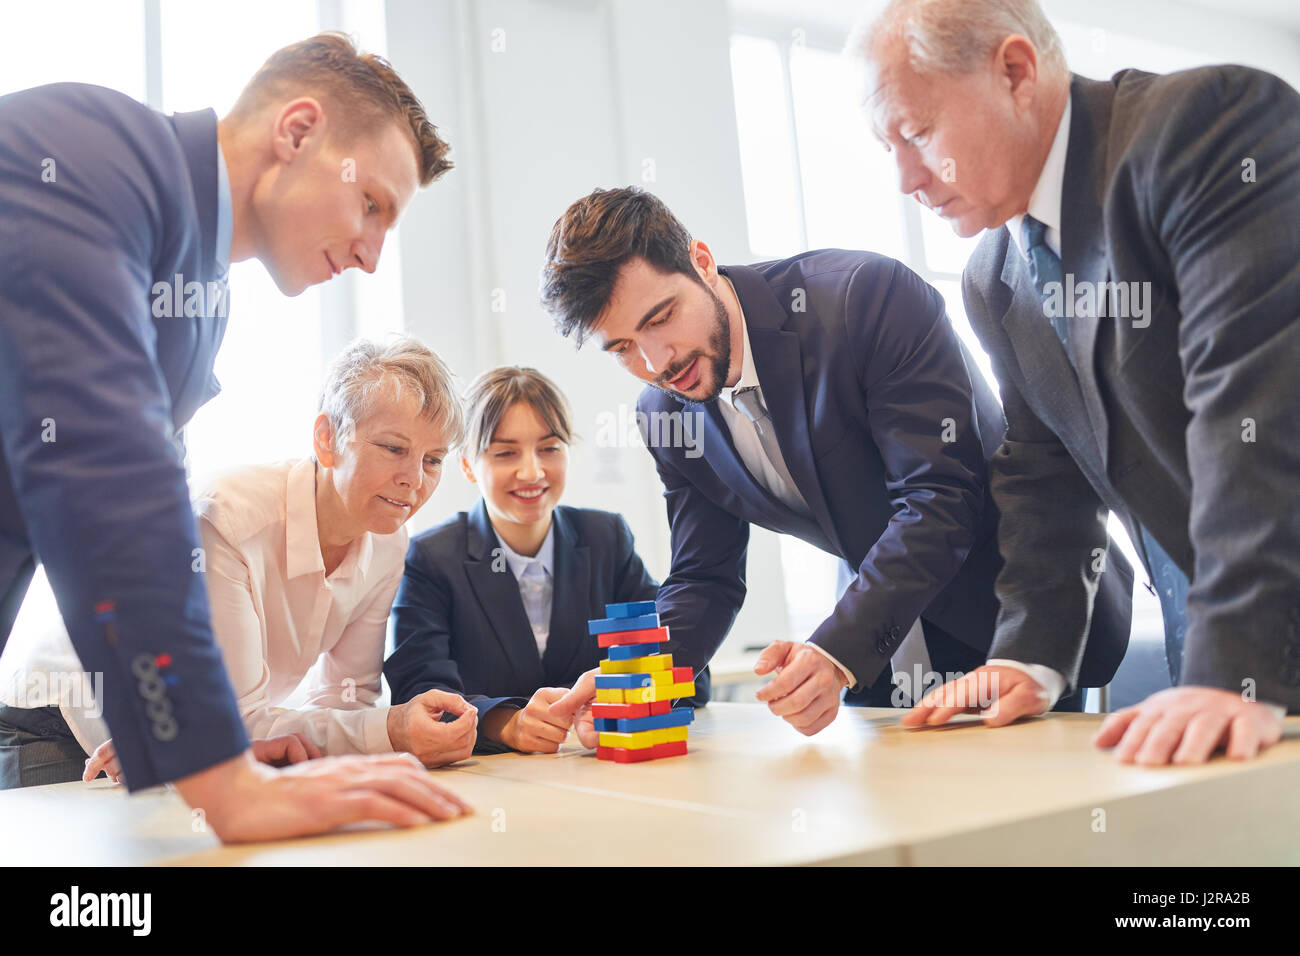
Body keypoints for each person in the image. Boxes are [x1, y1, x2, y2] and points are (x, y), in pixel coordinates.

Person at [0, 33, 468, 839]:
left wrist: (203, 753)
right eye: (371, 206)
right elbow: (110, 479)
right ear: (297, 131)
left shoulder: (200, 307)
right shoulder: (81, 152)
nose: (370, 253)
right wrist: (228, 784)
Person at [852, 0, 1298, 762]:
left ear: (1015, 72)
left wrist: (1236, 663)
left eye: (918, 132)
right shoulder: (994, 277)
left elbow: (1256, 403)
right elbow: (1044, 472)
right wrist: (1032, 652)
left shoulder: (1204, 128)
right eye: (887, 147)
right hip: (1214, 636)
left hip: (1246, 630)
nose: (905, 178)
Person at [537, 186, 1133, 736]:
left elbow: (938, 498)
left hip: (1016, 624)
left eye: (660, 318)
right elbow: (705, 577)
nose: (657, 361)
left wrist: (836, 651)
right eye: (621, 348)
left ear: (700, 260)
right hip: (881, 661)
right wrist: (633, 678)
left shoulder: (864, 298)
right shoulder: (665, 413)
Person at [59, 338, 479, 784]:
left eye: (433, 460)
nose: (414, 480)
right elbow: (234, 721)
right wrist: (390, 728)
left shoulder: (389, 542)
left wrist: (382, 730)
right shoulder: (226, 519)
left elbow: (343, 700)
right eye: (394, 449)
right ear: (327, 439)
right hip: (68, 725)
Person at [386, 366, 659, 753]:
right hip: (488, 783)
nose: (532, 471)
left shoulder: (607, 539)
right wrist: (504, 722)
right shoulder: (432, 558)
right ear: (466, 464)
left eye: (549, 448)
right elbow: (418, 693)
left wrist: (619, 696)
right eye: (505, 453)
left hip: (602, 767)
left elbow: (677, 665)